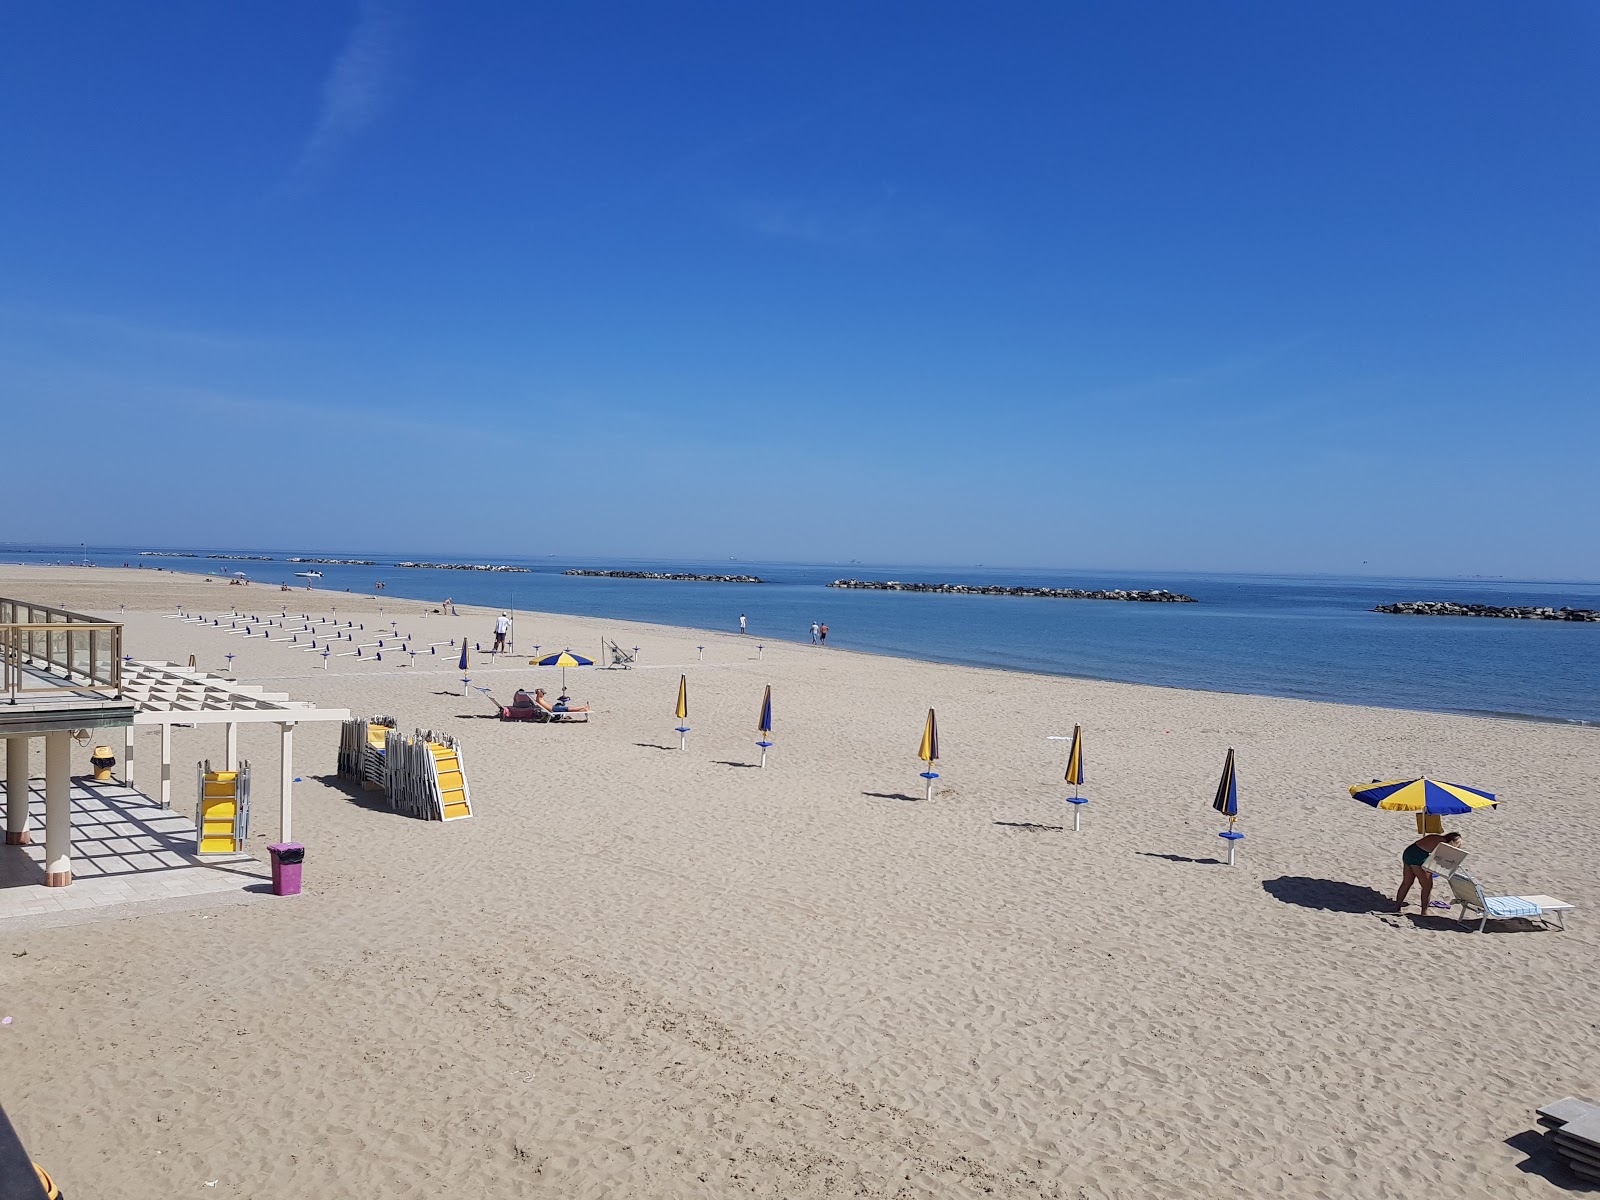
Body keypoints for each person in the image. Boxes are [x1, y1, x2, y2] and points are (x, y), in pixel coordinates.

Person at [1396, 830, 1461, 914]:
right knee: (1427, 887)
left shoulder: (1436, 837)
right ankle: (1424, 911)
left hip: (1409, 852)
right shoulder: (1444, 844)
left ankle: (1397, 906)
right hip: (1418, 857)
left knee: (1406, 882)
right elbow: (1442, 861)